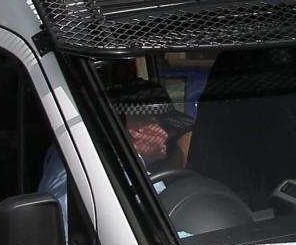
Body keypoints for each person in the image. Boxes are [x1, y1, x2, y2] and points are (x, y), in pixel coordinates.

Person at [40, 77, 191, 206]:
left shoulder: (75, 151)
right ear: (138, 128)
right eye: (165, 125)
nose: (172, 134)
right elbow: (171, 230)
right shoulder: (121, 173)